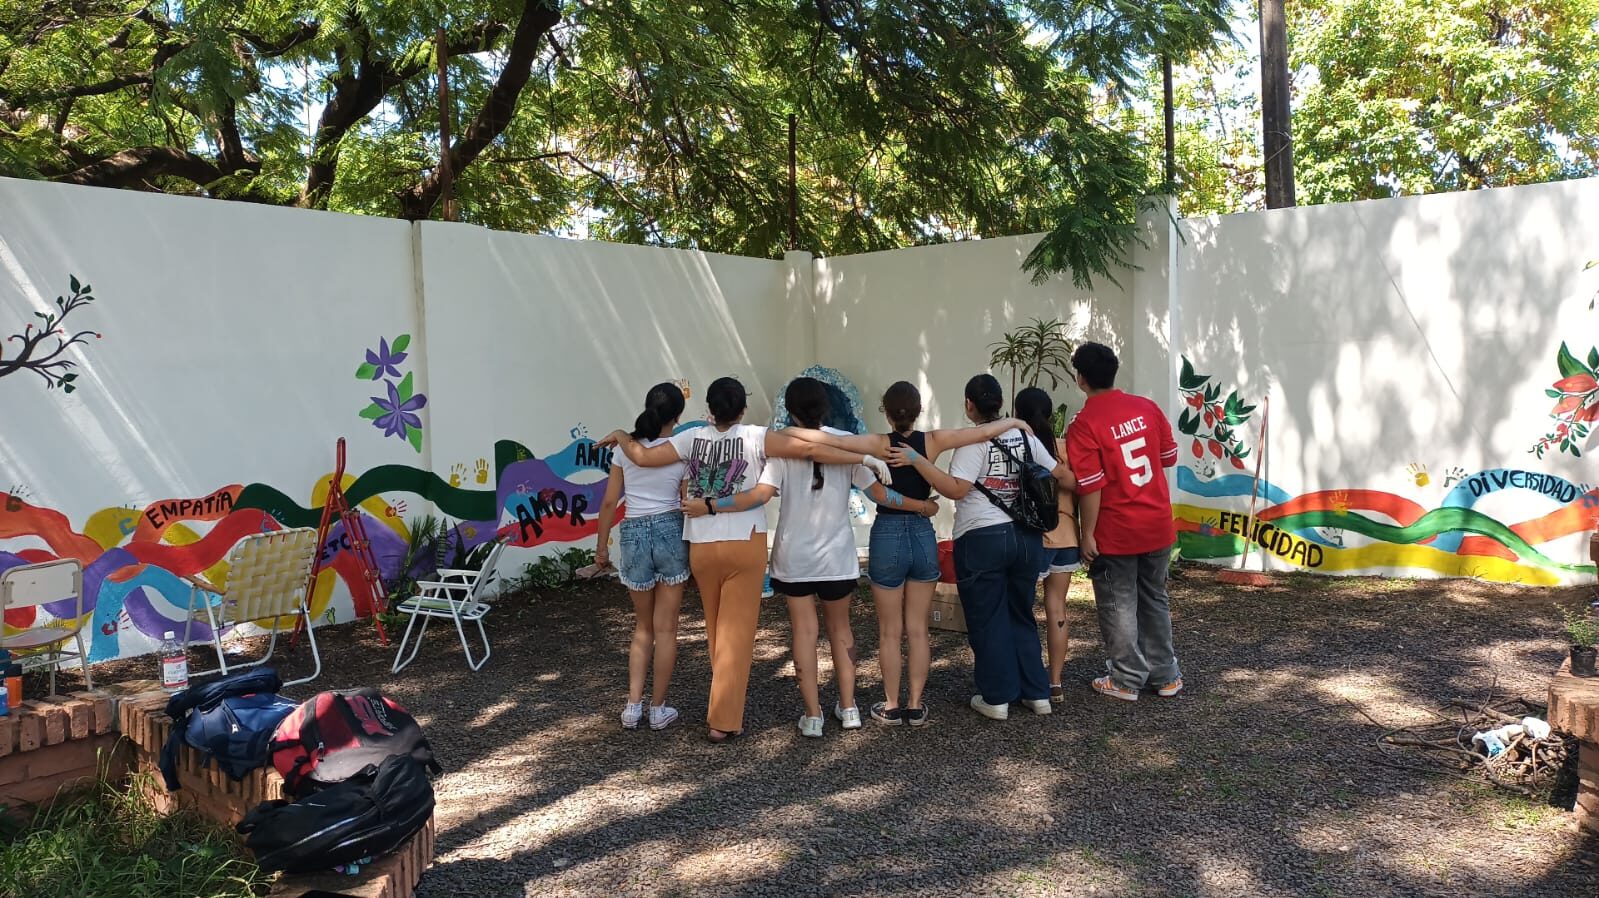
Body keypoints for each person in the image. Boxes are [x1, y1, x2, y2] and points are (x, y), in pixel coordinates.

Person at [600, 377, 889, 743]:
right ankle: (722, 719)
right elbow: (812, 447)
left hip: (703, 543)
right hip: (743, 542)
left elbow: (640, 456)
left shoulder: (689, 438)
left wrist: (620, 435)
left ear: (708, 408)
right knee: (735, 636)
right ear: (741, 410)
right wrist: (863, 454)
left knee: (717, 632)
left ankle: (717, 707)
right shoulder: (757, 436)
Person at [689, 377, 936, 737]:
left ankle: (813, 714)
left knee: (804, 633)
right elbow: (881, 495)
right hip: (836, 555)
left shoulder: (783, 447)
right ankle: (849, 708)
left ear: (789, 410)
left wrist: (713, 506)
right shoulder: (846, 445)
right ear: (826, 406)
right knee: (841, 631)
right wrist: (922, 506)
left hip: (795, 556)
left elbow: (760, 495)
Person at [780, 382, 1036, 727]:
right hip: (922, 535)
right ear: (918, 411)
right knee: (918, 629)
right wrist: (1014, 423)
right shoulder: (933, 441)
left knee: (889, 630)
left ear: (886, 411)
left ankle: (889, 703)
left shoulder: (877, 443)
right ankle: (915, 704)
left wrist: (792, 431)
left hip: (887, 534)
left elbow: (830, 442)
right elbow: (976, 433)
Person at [887, 374, 1074, 721]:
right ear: (1000, 403)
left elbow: (956, 489)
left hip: (982, 536)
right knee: (1021, 612)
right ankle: (1037, 693)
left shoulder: (972, 444)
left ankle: (998, 697)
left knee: (987, 618)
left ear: (969, 404)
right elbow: (1062, 477)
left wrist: (918, 461)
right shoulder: (1025, 435)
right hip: (1027, 537)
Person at [1064, 342, 1183, 702]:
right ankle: (1166, 675)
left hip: (1118, 529)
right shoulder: (1147, 408)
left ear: (1080, 379)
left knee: (1118, 604)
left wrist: (1088, 535)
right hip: (1158, 523)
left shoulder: (1084, 425)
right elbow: (1168, 457)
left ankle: (1126, 678)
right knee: (1154, 598)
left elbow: (1091, 485)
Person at [594, 383, 690, 731]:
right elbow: (684, 499)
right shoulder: (681, 449)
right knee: (667, 630)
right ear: (678, 416)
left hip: (633, 532)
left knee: (642, 628)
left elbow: (609, 502)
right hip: (670, 531)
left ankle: (632, 706)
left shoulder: (625, 449)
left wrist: (601, 546)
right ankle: (658, 708)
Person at [1013, 387, 1080, 703]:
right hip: (1065, 533)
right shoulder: (1065, 448)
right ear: (1052, 416)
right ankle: (1055, 682)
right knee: (1057, 607)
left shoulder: (1018, 446)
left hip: (1031, 537)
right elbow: (1075, 483)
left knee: (1022, 609)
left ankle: (1025, 677)